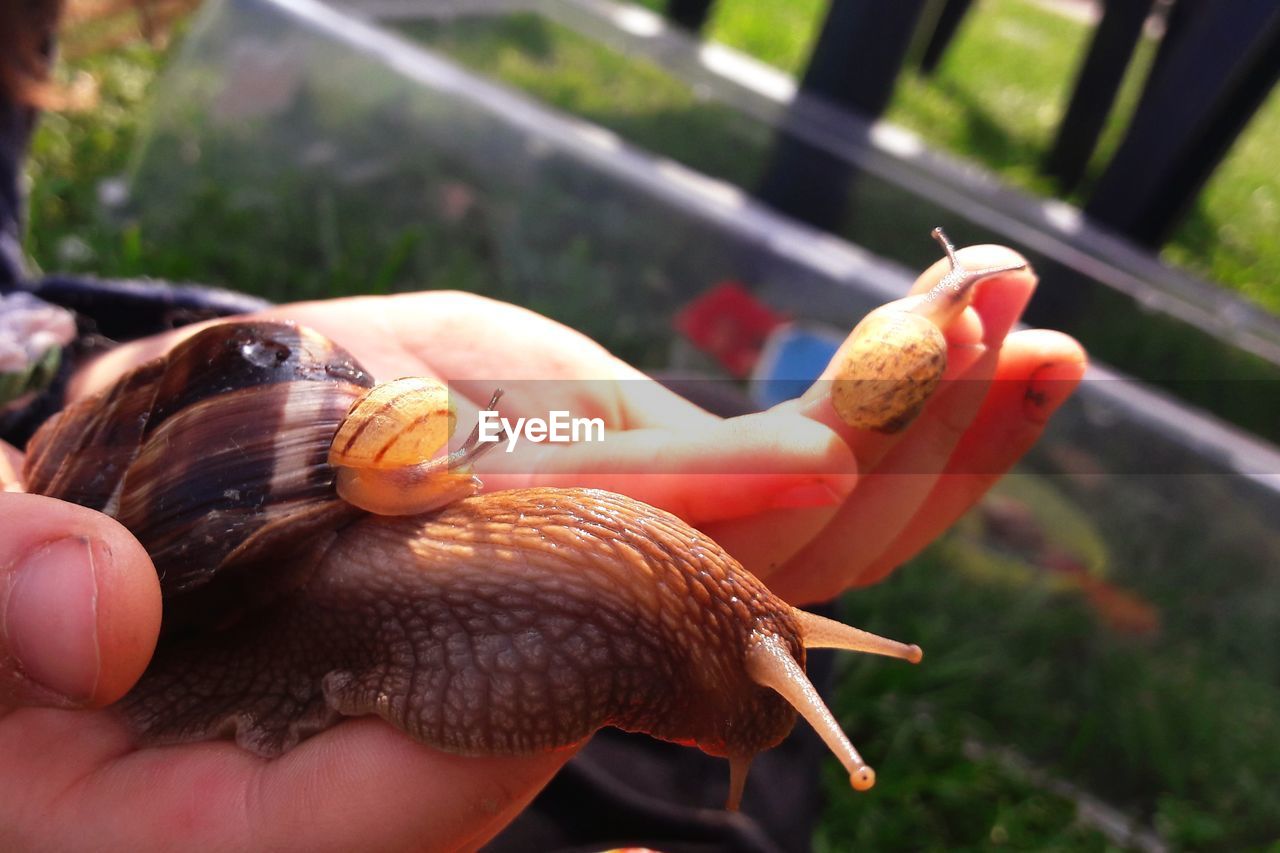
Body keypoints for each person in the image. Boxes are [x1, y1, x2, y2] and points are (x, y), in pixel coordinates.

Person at [0, 2, 1087, 850]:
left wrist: (70, 356)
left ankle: (724, 656)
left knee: (696, 429)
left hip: (107, 412)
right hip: (145, 530)